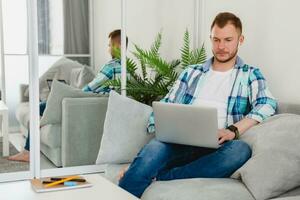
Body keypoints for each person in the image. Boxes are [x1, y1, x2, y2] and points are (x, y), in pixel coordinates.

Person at [118, 12, 277, 198]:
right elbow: (167, 104)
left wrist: (232, 130)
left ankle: (164, 176)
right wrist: (145, 157)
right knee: (154, 149)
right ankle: (140, 172)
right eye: (216, 40)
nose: (221, 46)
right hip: (178, 142)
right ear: (210, 39)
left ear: (240, 40)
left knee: (240, 151)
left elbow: (267, 104)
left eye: (228, 40)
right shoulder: (192, 72)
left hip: (218, 147)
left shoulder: (249, 74)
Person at [8, 29, 128, 162]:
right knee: (43, 108)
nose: (108, 48)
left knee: (37, 108)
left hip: (86, 101)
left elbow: (91, 87)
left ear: (119, 46)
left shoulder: (111, 66)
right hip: (98, 104)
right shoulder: (128, 69)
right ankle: (39, 128)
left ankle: (28, 152)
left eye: (110, 45)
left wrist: (74, 93)